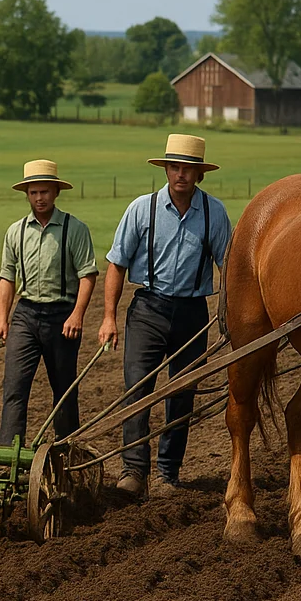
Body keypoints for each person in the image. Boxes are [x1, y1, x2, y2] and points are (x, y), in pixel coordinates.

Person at [98, 135, 232, 500]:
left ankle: (167, 474)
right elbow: (116, 264)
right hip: (147, 309)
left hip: (192, 312)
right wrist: (109, 317)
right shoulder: (143, 209)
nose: (181, 175)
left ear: (199, 174)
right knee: (137, 389)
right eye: (175, 167)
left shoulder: (214, 213)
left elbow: (230, 268)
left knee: (181, 394)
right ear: (166, 169)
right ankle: (133, 471)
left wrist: (232, 313)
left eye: (188, 169)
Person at [0, 160, 97, 448]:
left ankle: (67, 453)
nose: (40, 198)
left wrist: (77, 315)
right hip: (25, 315)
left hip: (62, 317)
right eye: (34, 192)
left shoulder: (74, 229)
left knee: (64, 391)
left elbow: (87, 275)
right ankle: (8, 456)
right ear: (26, 193)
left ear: (56, 192)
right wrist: (3, 319)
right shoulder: (15, 232)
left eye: (45, 192)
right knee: (14, 388)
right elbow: (6, 277)